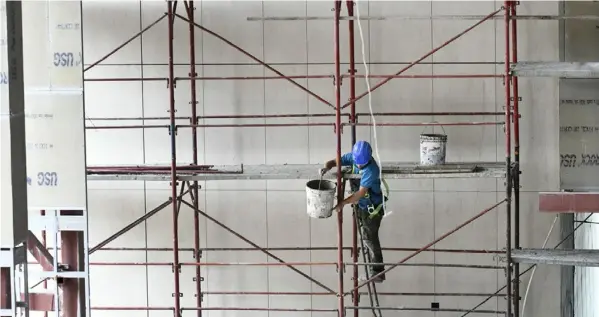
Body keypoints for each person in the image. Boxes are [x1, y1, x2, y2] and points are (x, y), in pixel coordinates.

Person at [320, 140, 387, 283]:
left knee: (370, 238)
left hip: (372, 208)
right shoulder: (354, 157)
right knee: (366, 237)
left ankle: (377, 272)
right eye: (357, 162)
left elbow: (361, 193)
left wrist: (343, 203)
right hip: (362, 206)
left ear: (368, 159)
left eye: (361, 163)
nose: (359, 165)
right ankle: (373, 270)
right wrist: (326, 167)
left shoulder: (372, 169)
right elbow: (334, 161)